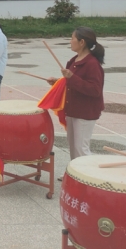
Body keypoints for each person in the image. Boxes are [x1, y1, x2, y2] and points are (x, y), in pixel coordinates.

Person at [46, 27, 104, 163]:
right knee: (73, 147)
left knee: (81, 149)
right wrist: (58, 82)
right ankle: (75, 172)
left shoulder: (92, 64)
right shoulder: (74, 60)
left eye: (72, 38)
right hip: (72, 109)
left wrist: (71, 77)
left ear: (82, 42)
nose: (70, 41)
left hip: (85, 112)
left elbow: (95, 89)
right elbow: (71, 82)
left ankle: (88, 173)